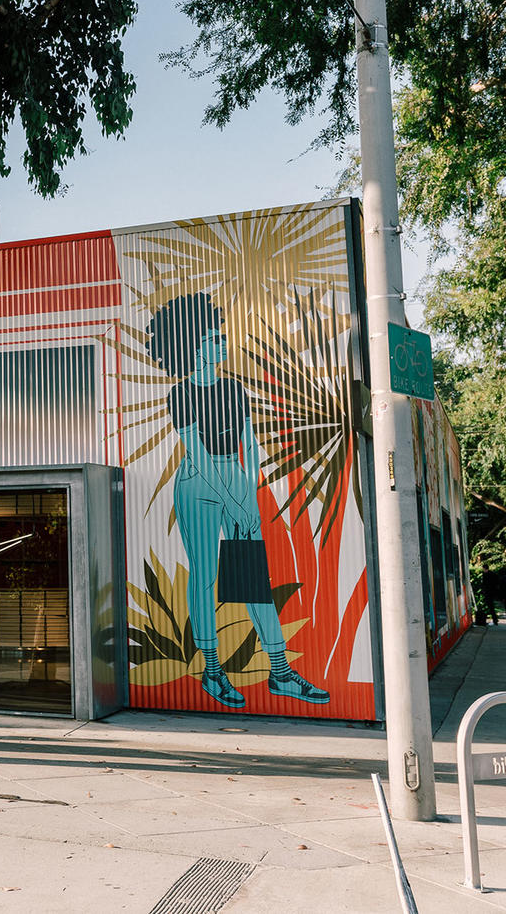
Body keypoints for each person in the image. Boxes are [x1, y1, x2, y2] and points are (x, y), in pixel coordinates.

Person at [147, 292, 328, 707]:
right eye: (213, 337)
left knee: (250, 578)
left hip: (234, 477)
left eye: (220, 336)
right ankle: (213, 670)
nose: (221, 343)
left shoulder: (233, 387)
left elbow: (250, 444)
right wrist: (232, 499)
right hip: (198, 483)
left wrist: (248, 491)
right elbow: (196, 453)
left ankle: (280, 672)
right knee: (206, 575)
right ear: (191, 346)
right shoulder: (180, 394)